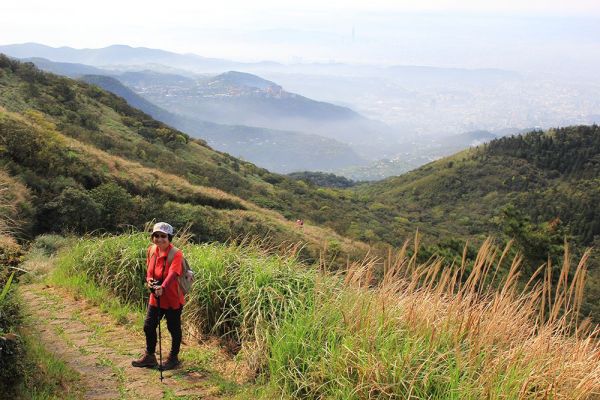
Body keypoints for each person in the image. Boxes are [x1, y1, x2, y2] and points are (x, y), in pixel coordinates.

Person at [132, 222, 184, 370]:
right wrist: (149, 281)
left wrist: (163, 286)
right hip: (155, 297)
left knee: (173, 329)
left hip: (173, 298)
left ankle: (173, 358)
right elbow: (149, 270)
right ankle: (149, 356)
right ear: (152, 237)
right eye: (156, 235)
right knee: (148, 326)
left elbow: (174, 274)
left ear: (169, 238)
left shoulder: (176, 254)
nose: (159, 239)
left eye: (163, 236)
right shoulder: (151, 250)